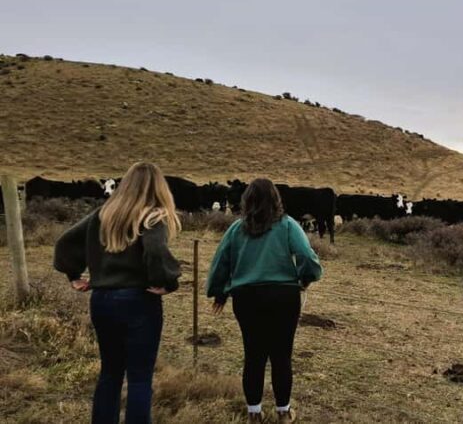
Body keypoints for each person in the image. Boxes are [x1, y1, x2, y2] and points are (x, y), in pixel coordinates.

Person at [53, 162, 181, 423]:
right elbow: (156, 251)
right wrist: (167, 282)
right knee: (139, 378)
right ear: (158, 188)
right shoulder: (153, 216)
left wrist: (73, 274)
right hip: (139, 301)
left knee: (110, 372)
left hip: (102, 300)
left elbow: (65, 241)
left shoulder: (104, 213)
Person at [206, 178, 322, 423]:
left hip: (247, 299)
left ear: (247, 201)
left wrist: (219, 292)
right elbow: (307, 258)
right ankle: (283, 412)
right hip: (283, 297)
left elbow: (220, 263)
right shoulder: (289, 226)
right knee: (282, 356)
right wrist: (306, 279)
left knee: (253, 356)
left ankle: (254, 414)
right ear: (276, 200)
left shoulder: (236, 230)